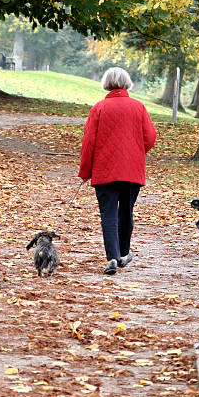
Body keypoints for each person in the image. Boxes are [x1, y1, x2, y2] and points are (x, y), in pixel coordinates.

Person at [78, 67, 157, 275]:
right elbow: (150, 137)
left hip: (105, 171)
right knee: (126, 211)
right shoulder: (139, 107)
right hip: (132, 170)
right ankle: (123, 253)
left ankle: (112, 257)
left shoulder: (99, 108)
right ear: (127, 83)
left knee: (108, 213)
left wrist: (85, 171)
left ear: (107, 83)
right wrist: (137, 152)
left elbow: (89, 142)